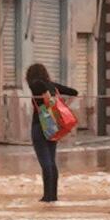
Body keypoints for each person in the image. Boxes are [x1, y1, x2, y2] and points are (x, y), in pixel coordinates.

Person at [23, 62, 78, 202]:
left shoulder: (36, 85)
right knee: (51, 162)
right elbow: (74, 92)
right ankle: (52, 196)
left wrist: (47, 97)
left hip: (40, 125)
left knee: (45, 162)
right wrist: (62, 104)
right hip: (54, 126)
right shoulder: (52, 85)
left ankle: (47, 197)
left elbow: (36, 85)